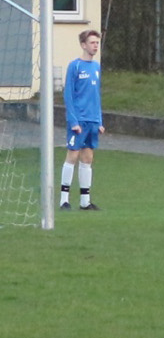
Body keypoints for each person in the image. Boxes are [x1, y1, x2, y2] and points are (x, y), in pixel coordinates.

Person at [60, 30, 103, 211]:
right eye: (92, 42)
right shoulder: (75, 66)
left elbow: (96, 95)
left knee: (88, 158)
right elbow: (68, 95)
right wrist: (73, 121)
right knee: (73, 156)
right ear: (83, 45)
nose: (95, 46)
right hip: (79, 120)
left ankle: (85, 201)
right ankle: (64, 200)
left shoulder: (96, 67)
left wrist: (99, 121)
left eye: (97, 43)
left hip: (92, 120)